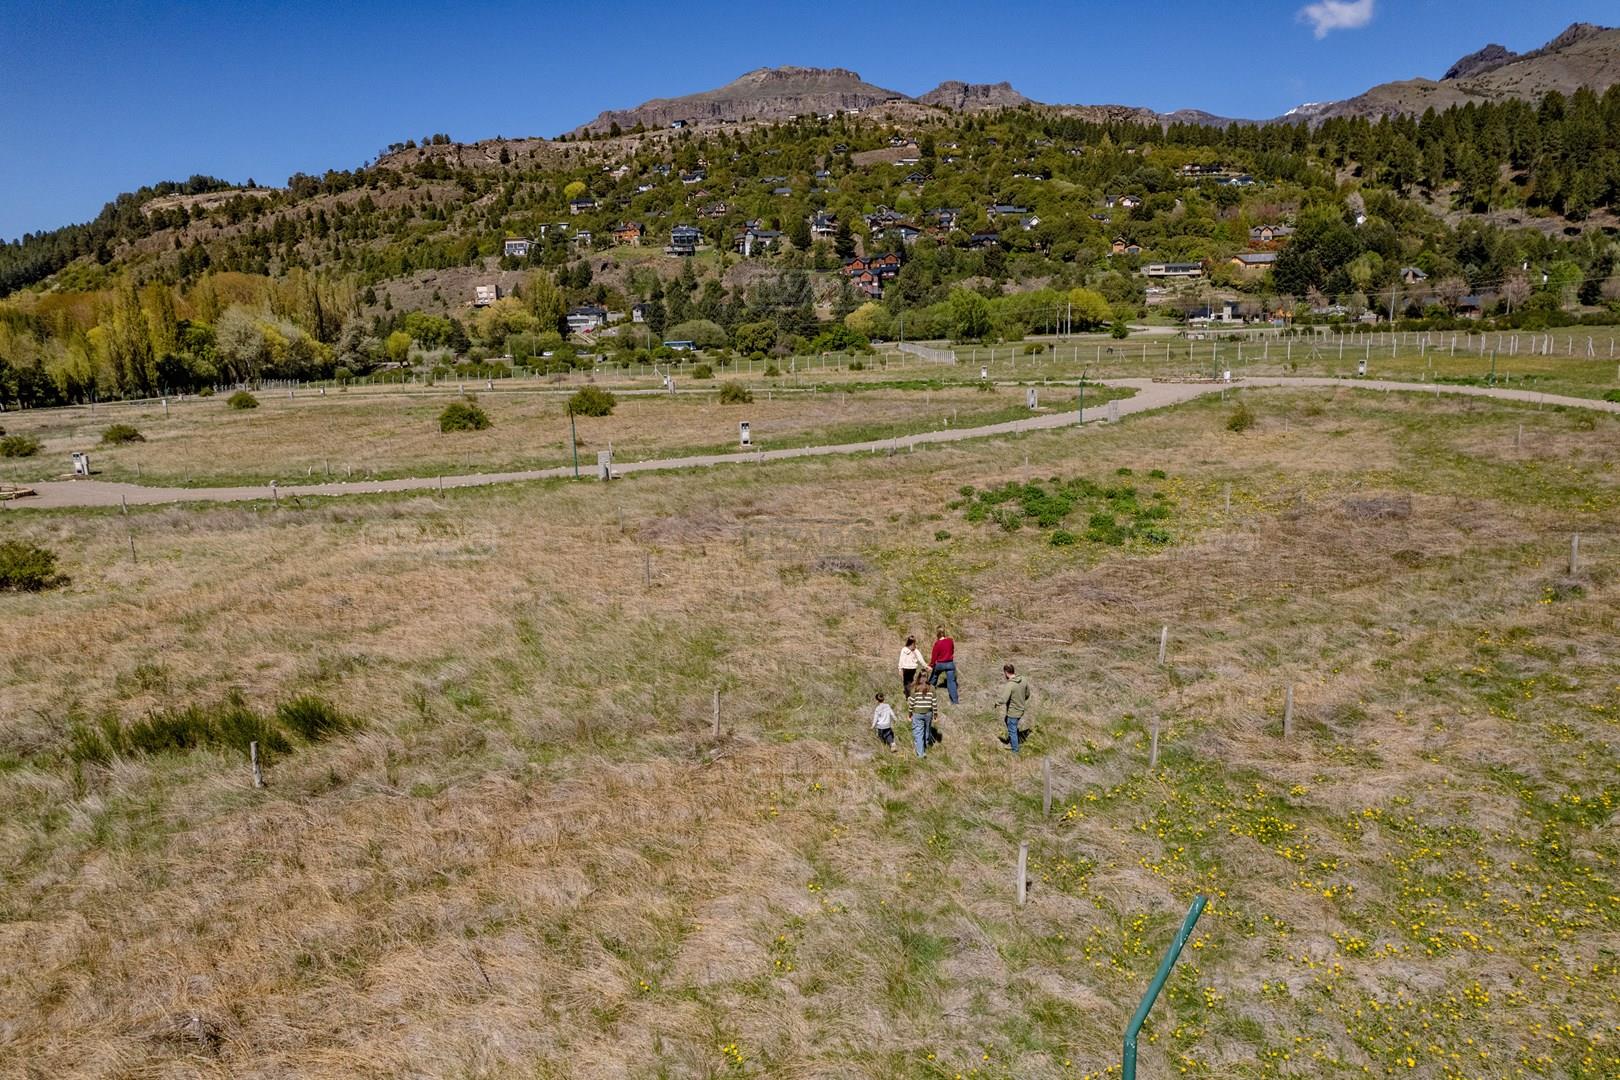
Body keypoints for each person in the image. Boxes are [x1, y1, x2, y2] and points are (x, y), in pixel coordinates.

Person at [997, 663, 1031, 753]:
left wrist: (996, 703)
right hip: (1021, 709)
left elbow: (1004, 699)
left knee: (1012, 729)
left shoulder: (1010, 685)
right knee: (1007, 720)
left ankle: (1015, 750)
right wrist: (1021, 700)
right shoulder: (1023, 679)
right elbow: (1027, 694)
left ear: (1006, 672)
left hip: (1013, 712)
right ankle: (1015, 737)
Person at [906, 679, 938, 760]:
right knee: (927, 730)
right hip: (928, 713)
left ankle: (921, 753)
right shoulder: (932, 687)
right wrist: (935, 714)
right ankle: (925, 746)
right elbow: (934, 702)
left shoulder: (915, 687)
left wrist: (909, 714)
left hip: (917, 714)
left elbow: (911, 703)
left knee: (918, 732)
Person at [928, 625, 958, 705]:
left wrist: (931, 665)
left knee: (934, 676)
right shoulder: (950, 641)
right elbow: (952, 651)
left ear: (937, 633)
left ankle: (927, 693)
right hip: (950, 663)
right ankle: (955, 701)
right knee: (951, 682)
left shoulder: (937, 644)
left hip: (940, 664)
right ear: (945, 632)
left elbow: (934, 657)